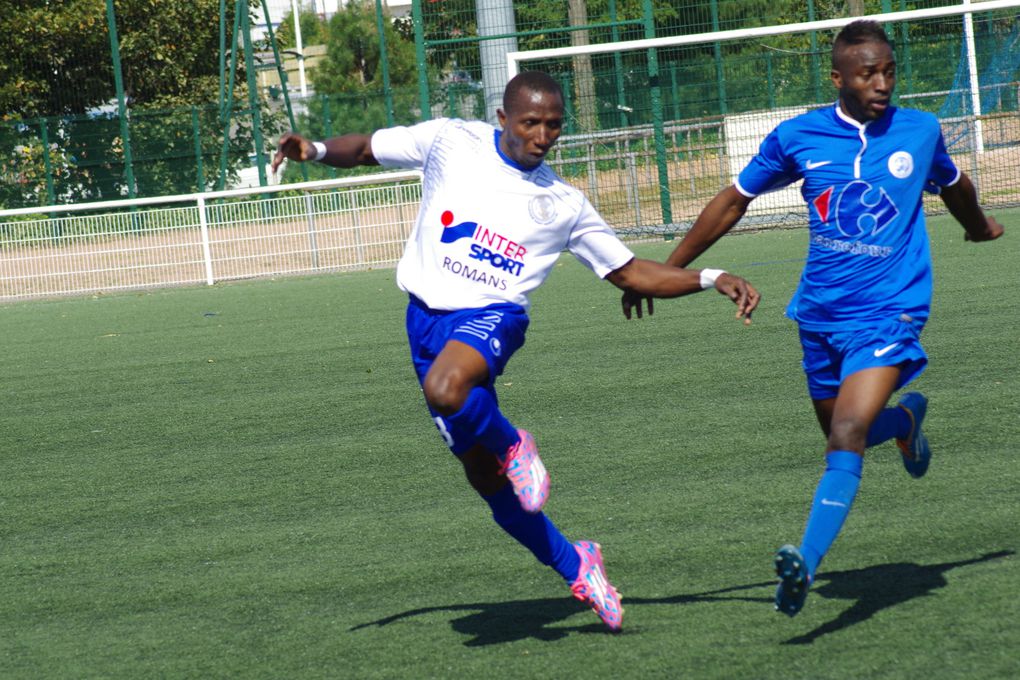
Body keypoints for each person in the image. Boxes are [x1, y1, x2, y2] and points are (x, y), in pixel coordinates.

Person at [272, 71, 760, 631]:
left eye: (553, 125)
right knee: (487, 484)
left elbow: (629, 272)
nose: (543, 135)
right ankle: (578, 565)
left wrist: (711, 276)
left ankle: (515, 443)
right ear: (503, 119)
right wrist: (311, 149)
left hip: (491, 318)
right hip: (423, 323)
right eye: (531, 122)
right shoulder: (451, 141)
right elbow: (365, 149)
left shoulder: (562, 203)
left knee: (447, 389)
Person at [625, 20, 1004, 617]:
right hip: (820, 316)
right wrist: (669, 270)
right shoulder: (799, 136)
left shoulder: (920, 130)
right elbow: (732, 202)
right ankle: (905, 422)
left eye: (889, 71)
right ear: (838, 78)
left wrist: (977, 225)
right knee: (841, 432)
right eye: (867, 73)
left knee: (847, 434)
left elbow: (954, 184)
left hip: (890, 313)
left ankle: (804, 560)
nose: (882, 83)